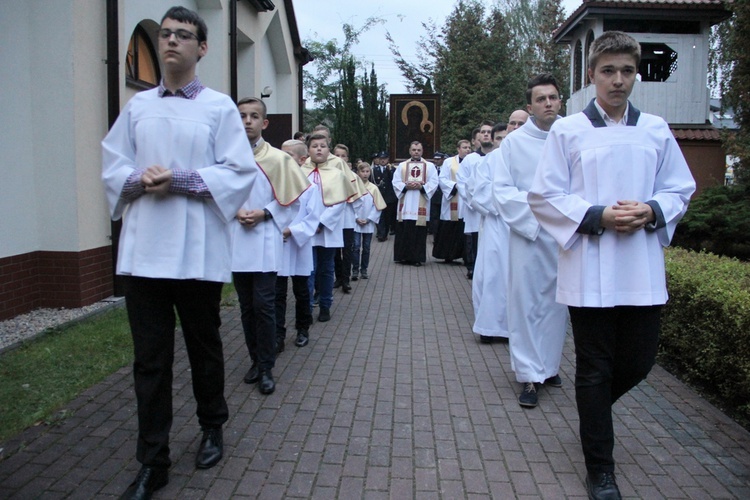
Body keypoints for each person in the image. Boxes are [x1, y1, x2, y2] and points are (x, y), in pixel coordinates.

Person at [528, 31, 695, 500]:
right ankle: (600, 469)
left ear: (635, 73)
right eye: (608, 71)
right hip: (589, 264)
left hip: (640, 265)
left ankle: (591, 415)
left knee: (638, 364)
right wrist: (598, 215)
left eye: (626, 71)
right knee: (594, 370)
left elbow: (679, 188)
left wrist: (652, 210)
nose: (618, 80)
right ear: (591, 76)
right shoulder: (568, 130)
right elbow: (544, 195)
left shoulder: (656, 129)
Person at [101, 7, 256, 498]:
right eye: (165, 34)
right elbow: (112, 163)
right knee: (150, 360)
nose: (170, 42)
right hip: (145, 250)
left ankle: (212, 425)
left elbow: (239, 171)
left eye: (183, 36)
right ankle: (154, 459)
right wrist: (135, 179)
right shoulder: (139, 107)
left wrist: (183, 179)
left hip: (196, 251)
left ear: (201, 48)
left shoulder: (218, 108)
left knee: (203, 348)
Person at [493, 74, 568, 408]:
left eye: (553, 97)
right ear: (530, 106)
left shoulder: (573, 135)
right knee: (526, 303)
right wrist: (540, 213)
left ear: (560, 100)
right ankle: (527, 376)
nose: (548, 103)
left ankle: (548, 366)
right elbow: (503, 191)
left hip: (565, 234)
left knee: (557, 304)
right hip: (529, 233)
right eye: (541, 99)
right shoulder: (514, 143)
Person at [231, 97, 309, 395]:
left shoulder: (278, 159)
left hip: (264, 239)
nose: (247, 121)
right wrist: (234, 210)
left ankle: (266, 367)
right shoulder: (226, 157)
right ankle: (254, 359)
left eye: (253, 116)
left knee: (264, 305)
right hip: (237, 237)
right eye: (241, 116)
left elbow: (292, 201)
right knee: (246, 307)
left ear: (264, 123)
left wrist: (265, 213)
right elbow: (218, 194)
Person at [302, 134, 357, 322]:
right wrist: (309, 223)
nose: (319, 149)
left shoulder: (336, 174)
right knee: (308, 270)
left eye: (323, 146)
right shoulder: (300, 172)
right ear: (308, 150)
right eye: (314, 146)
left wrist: (321, 222)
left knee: (326, 269)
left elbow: (340, 201)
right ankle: (307, 307)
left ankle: (325, 305)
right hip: (306, 230)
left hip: (327, 229)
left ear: (329, 150)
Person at [277, 139, 324, 350]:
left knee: (302, 290)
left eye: (289, 156)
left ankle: (303, 328)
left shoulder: (311, 188)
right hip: (276, 244)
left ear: (302, 159)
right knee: (277, 292)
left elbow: (313, 218)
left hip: (298, 244)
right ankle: (277, 333)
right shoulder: (274, 183)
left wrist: (291, 231)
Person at [468, 125, 511, 345]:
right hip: (496, 224)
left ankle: (513, 326)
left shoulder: (522, 160)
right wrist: (506, 202)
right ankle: (489, 325)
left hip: (519, 226)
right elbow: (478, 194)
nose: (503, 142)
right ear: (493, 141)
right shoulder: (486, 162)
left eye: (507, 138)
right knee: (492, 275)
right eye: (500, 138)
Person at [392, 141, 439, 266]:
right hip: (406, 203)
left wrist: (422, 187)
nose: (416, 152)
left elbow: (434, 182)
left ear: (422, 151)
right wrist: (405, 186)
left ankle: (417, 258)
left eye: (418, 150)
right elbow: (395, 182)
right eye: (414, 150)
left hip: (420, 201)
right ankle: (403, 257)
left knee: (419, 232)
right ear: (410, 151)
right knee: (404, 230)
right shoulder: (402, 166)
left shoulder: (429, 166)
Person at [457, 121, 494, 279]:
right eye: (483, 131)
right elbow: (462, 182)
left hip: (494, 209)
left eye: (488, 131)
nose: (485, 134)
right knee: (473, 238)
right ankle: (472, 266)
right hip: (474, 208)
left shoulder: (499, 156)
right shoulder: (470, 159)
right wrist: (475, 202)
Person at [432, 140, 471, 262]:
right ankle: (448, 255)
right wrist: (455, 186)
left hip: (467, 200)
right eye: (464, 147)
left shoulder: (474, 161)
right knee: (450, 227)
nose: (467, 150)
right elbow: (442, 179)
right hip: (453, 198)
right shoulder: (449, 162)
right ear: (458, 149)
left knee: (465, 227)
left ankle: (467, 256)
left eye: (469, 147)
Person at [351, 162, 386, 280]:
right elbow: (350, 204)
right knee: (355, 246)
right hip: (355, 222)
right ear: (358, 173)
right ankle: (355, 269)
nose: (365, 174)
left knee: (366, 247)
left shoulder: (373, 188)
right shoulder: (353, 187)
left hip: (368, 222)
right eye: (363, 171)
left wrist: (369, 219)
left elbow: (377, 206)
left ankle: (364, 269)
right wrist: (355, 217)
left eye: (367, 171)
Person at [332, 143, 357, 293]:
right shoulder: (328, 175)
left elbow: (359, 198)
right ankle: (338, 277)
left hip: (347, 218)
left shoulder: (353, 176)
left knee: (347, 250)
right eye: (337, 156)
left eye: (343, 156)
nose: (340, 159)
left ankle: (346, 279)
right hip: (333, 219)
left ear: (347, 158)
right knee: (335, 250)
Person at [376, 152, 398, 241]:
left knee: (387, 217)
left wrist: (390, 171)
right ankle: (381, 234)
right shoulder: (375, 170)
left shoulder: (392, 170)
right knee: (380, 216)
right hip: (379, 196)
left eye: (384, 158)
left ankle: (385, 232)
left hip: (389, 197)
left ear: (388, 159)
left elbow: (395, 181)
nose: (382, 160)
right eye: (381, 158)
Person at [429, 151, 448, 235]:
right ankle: (435, 235)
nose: (436, 161)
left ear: (443, 159)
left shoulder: (446, 168)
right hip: (433, 197)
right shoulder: (431, 169)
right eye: (435, 159)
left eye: (438, 159)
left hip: (444, 197)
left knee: (443, 217)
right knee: (434, 217)